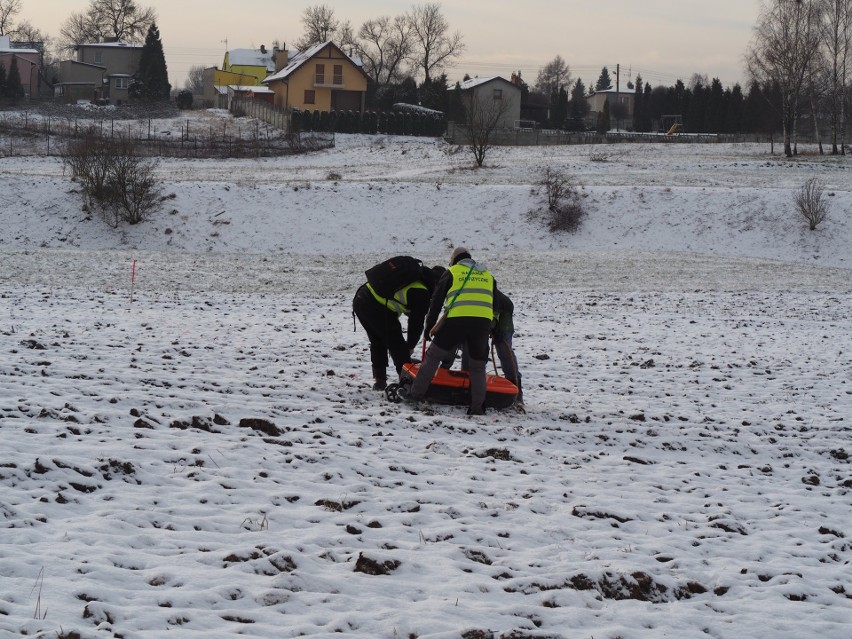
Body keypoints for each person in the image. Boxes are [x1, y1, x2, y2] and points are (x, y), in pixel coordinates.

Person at [404, 247, 495, 415]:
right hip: (482, 324)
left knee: (433, 357)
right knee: (477, 366)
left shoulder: (452, 272)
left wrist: (429, 327)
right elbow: (493, 302)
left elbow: (436, 302)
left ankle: (415, 395)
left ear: (454, 260)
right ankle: (477, 408)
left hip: (456, 321)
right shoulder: (488, 275)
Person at [353, 259, 442, 391]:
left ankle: (380, 381)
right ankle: (407, 383)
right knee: (397, 344)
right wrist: (410, 345)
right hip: (376, 307)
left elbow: (407, 307)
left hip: (360, 298)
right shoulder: (421, 292)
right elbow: (416, 324)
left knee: (378, 340)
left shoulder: (412, 277)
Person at [442, 288, 524, 408]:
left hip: (502, 310)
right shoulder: (458, 296)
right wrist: (445, 365)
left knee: (503, 349)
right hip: (478, 315)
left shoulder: (486, 295)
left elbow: (489, 318)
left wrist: (496, 329)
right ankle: (466, 385)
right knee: (467, 343)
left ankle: (516, 391)